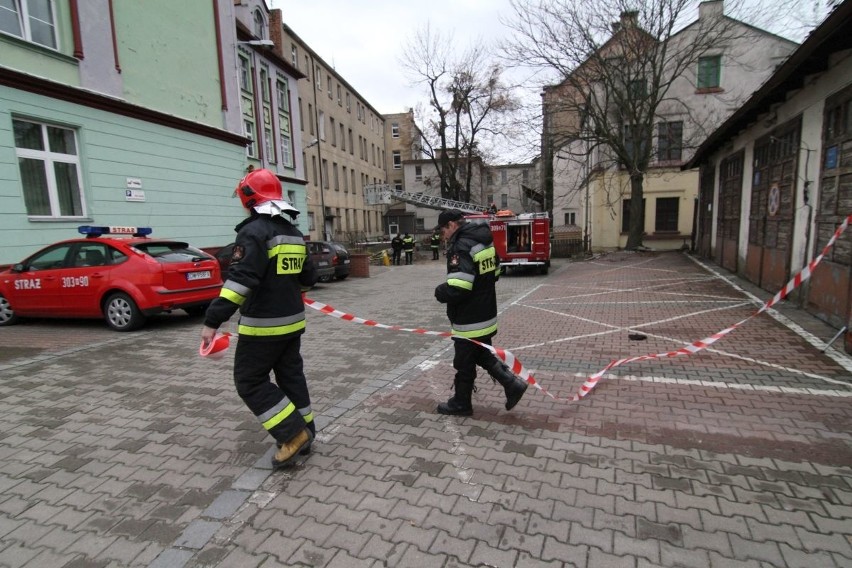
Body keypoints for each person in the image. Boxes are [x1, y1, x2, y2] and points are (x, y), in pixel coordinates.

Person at [201, 168, 318, 470]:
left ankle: (292, 435)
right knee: (291, 376)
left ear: (248, 198)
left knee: (249, 381)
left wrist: (213, 320)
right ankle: (308, 433)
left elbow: (241, 281)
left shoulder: (252, 232)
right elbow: (307, 277)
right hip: (293, 323)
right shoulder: (292, 231)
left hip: (263, 327)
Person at [433, 209, 528, 416]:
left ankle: (461, 404)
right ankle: (513, 385)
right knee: (482, 354)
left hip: (469, 319)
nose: (443, 236)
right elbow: (496, 272)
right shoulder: (484, 241)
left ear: (451, 225)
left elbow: (459, 287)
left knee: (464, 363)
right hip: (486, 314)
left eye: (443, 231)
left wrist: (440, 292)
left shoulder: (461, 246)